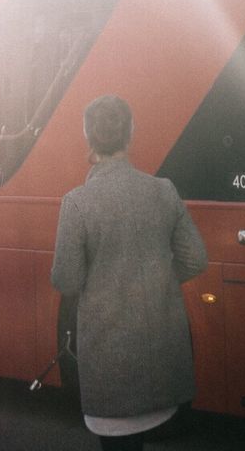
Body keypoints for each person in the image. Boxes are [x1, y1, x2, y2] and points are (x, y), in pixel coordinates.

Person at [51, 95, 208, 451]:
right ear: (130, 134)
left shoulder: (77, 203)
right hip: (161, 364)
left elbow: (66, 280)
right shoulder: (162, 191)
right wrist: (156, 278)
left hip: (111, 368)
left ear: (88, 138)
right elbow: (196, 259)